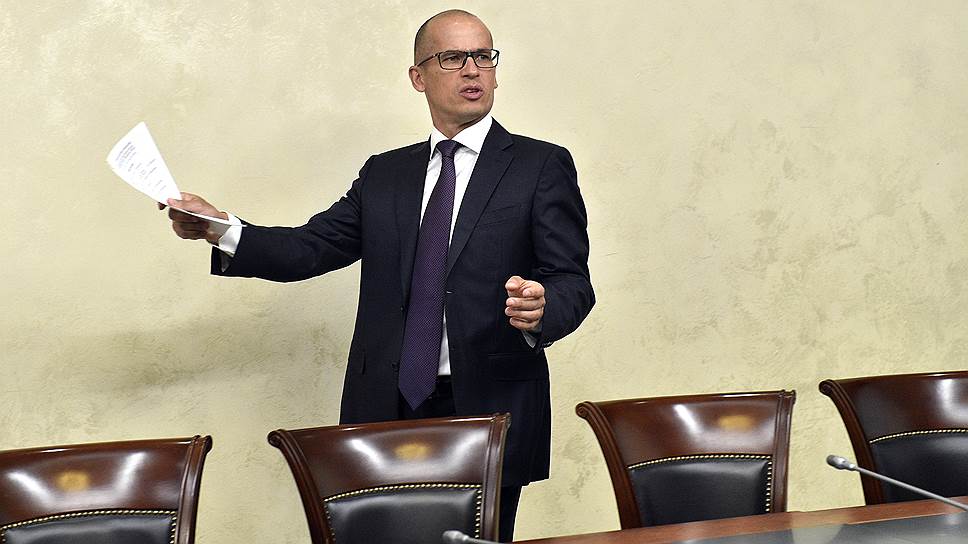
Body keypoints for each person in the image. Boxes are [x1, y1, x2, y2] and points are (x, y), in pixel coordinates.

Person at [163, 9, 594, 541]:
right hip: (386, 405)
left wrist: (543, 307)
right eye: (452, 58)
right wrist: (221, 229)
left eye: (483, 56)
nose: (472, 70)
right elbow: (309, 248)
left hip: (488, 407)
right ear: (418, 77)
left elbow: (572, 280)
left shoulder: (540, 165)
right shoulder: (385, 173)